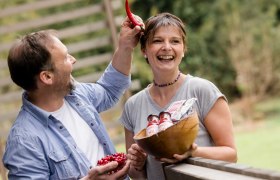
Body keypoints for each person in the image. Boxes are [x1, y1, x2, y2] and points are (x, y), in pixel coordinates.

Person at [2, 16, 143, 180]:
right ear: (47, 77)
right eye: (66, 57)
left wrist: (125, 46)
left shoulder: (76, 95)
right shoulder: (24, 142)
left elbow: (108, 89)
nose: (73, 60)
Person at [119, 12, 238, 180]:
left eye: (175, 41)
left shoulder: (202, 90)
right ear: (144, 49)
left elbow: (230, 154)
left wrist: (193, 152)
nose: (167, 47)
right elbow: (139, 176)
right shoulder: (132, 106)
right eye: (158, 40)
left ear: (183, 50)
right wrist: (137, 165)